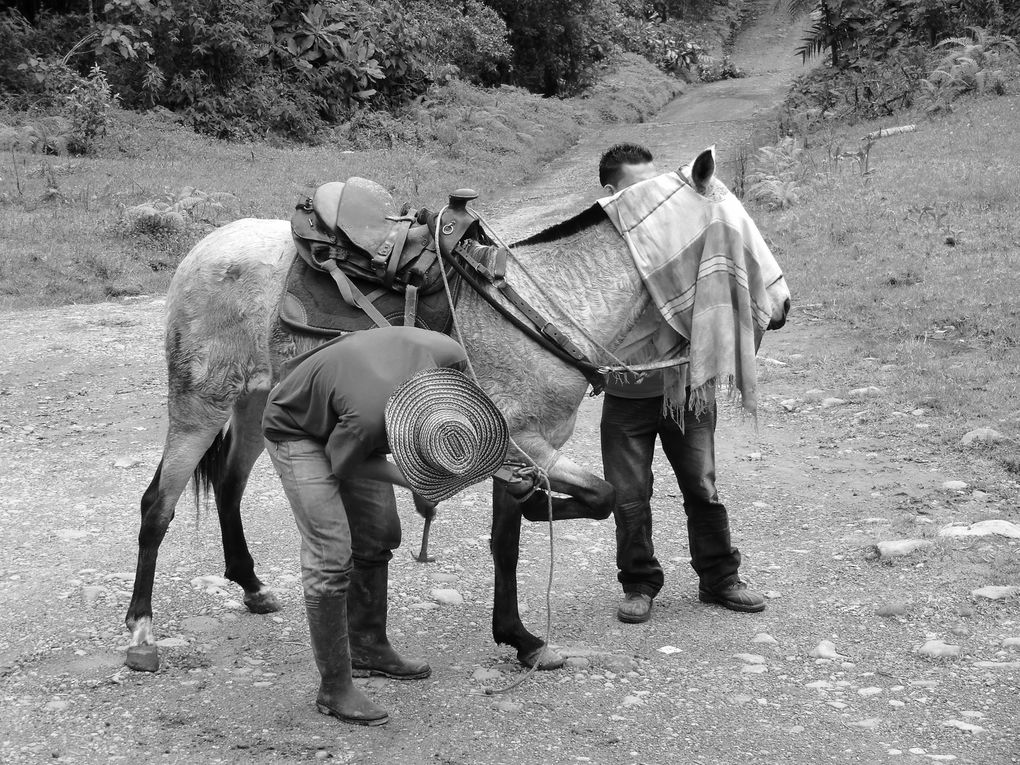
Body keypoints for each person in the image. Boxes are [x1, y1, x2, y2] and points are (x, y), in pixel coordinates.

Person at [263, 325, 508, 726]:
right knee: (331, 557)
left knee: (379, 533)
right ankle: (334, 686)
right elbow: (346, 463)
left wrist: (433, 469)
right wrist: (417, 479)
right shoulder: (369, 418)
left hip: (348, 409)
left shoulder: (450, 358)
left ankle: (367, 647)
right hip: (297, 429)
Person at [597, 142, 765, 624]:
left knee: (703, 486)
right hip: (627, 398)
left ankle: (720, 578)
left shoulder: (688, 234)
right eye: (637, 190)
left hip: (688, 390)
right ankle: (639, 584)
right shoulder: (600, 257)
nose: (654, 202)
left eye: (659, 189)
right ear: (611, 194)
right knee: (628, 495)